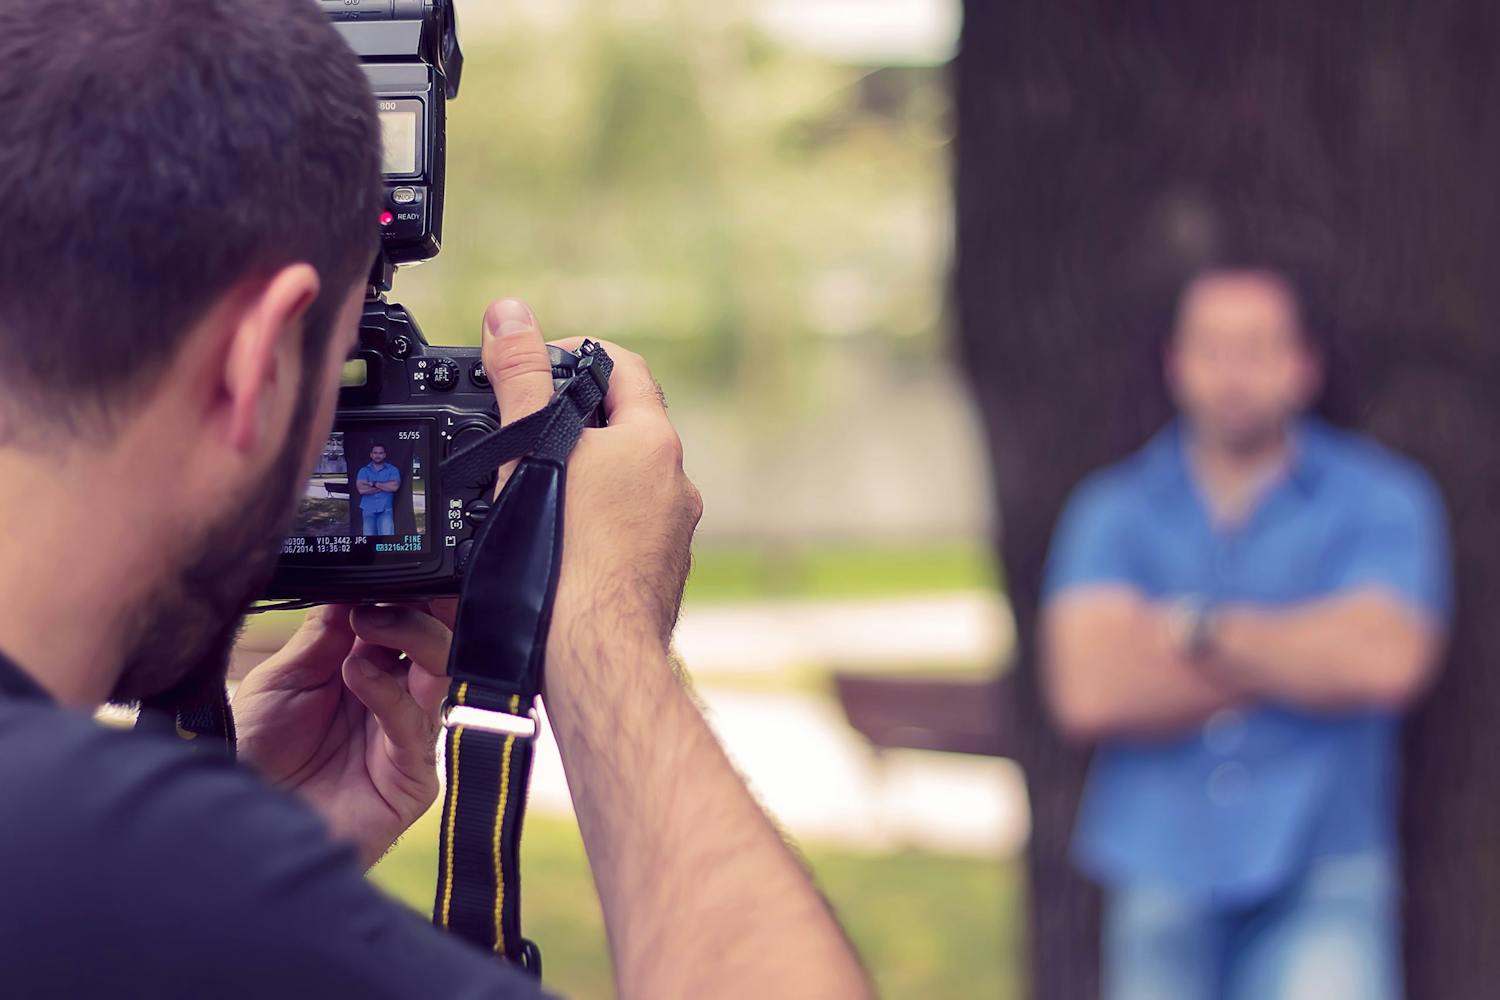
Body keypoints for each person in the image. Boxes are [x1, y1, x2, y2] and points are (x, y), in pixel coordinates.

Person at [0, 3, 870, 998]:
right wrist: (601, 628)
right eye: (337, 377)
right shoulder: (90, 863)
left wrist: (191, 873)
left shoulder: (82, 876)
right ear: (257, 363)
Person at [1041, 266, 1451, 1000]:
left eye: (1257, 349)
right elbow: (1089, 692)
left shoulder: (1384, 499)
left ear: (1304, 364)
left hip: (1323, 865)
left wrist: (1190, 632)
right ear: (1175, 363)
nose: (1233, 374)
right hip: (1157, 869)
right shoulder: (1112, 510)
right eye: (1212, 349)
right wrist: (1300, 656)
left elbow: (1384, 661)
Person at [356, 443, 401, 536]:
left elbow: (394, 487)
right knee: (369, 541)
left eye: (380, 453)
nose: (378, 455)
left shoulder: (392, 470)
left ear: (384, 455)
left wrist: (374, 483)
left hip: (385, 509)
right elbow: (361, 490)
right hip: (368, 510)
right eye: (375, 453)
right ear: (371, 455)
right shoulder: (363, 471)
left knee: (386, 540)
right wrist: (384, 487)